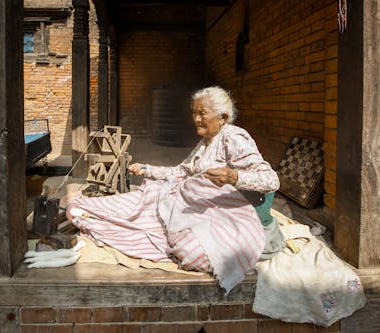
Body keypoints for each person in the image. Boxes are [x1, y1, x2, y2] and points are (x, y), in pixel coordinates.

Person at [66, 86, 284, 293]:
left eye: (202, 113)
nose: (196, 119)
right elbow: (182, 172)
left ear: (223, 118)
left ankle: (97, 213)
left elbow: (271, 180)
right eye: (194, 112)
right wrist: (147, 169)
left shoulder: (235, 138)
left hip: (224, 215)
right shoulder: (206, 142)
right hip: (195, 204)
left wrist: (234, 176)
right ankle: (85, 206)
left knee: (189, 250)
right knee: (142, 199)